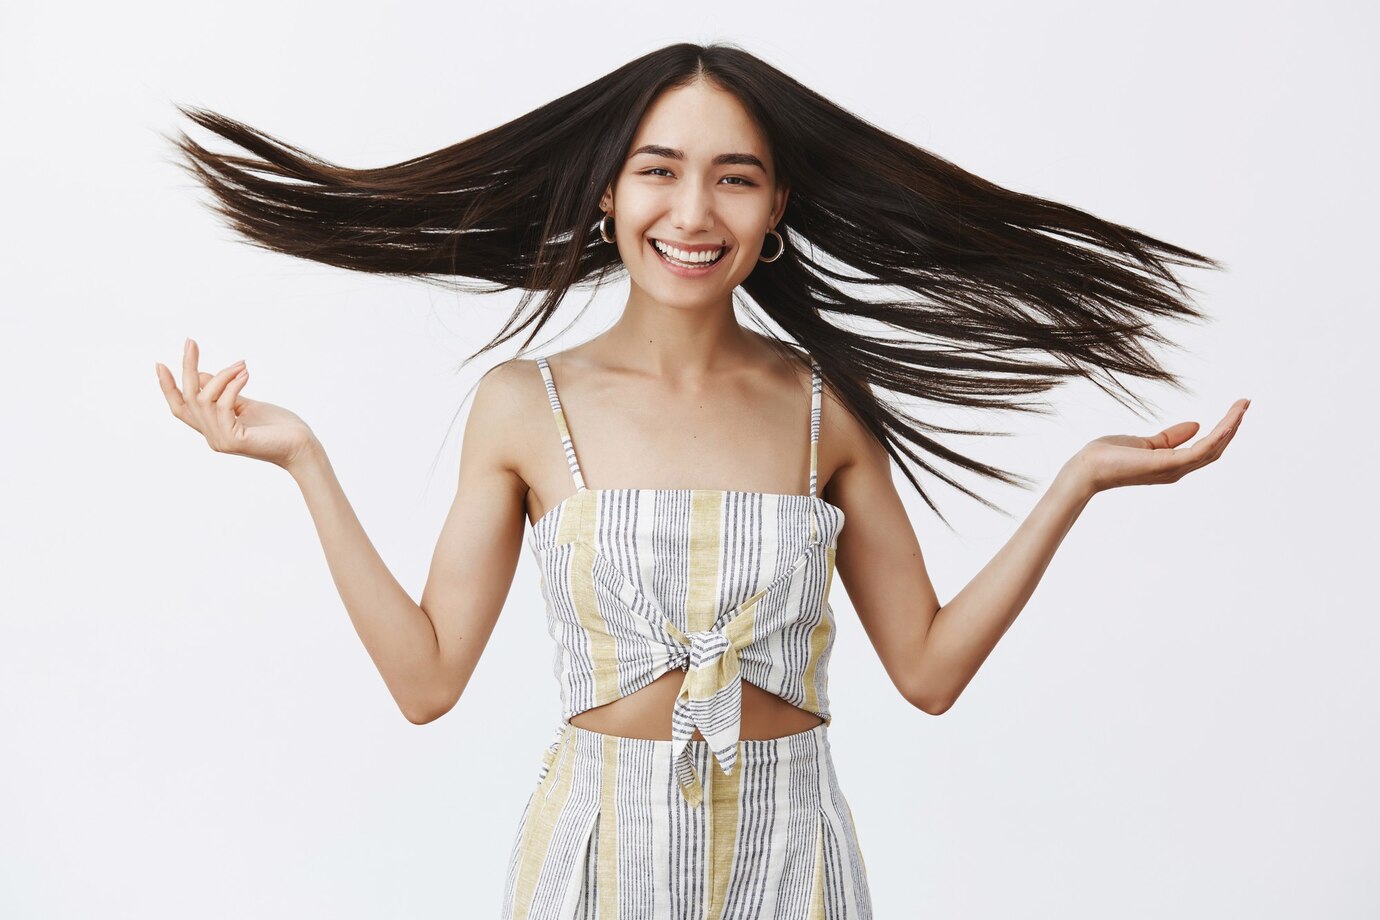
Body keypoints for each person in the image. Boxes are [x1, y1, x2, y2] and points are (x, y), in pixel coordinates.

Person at [155, 41, 1247, 919]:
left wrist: (1078, 482)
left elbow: (928, 667)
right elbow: (426, 678)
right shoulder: (524, 402)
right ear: (607, 194)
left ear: (775, 210)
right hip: (596, 856)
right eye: (658, 169)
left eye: (735, 178)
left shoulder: (827, 403)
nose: (693, 212)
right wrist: (303, 458)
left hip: (792, 853)